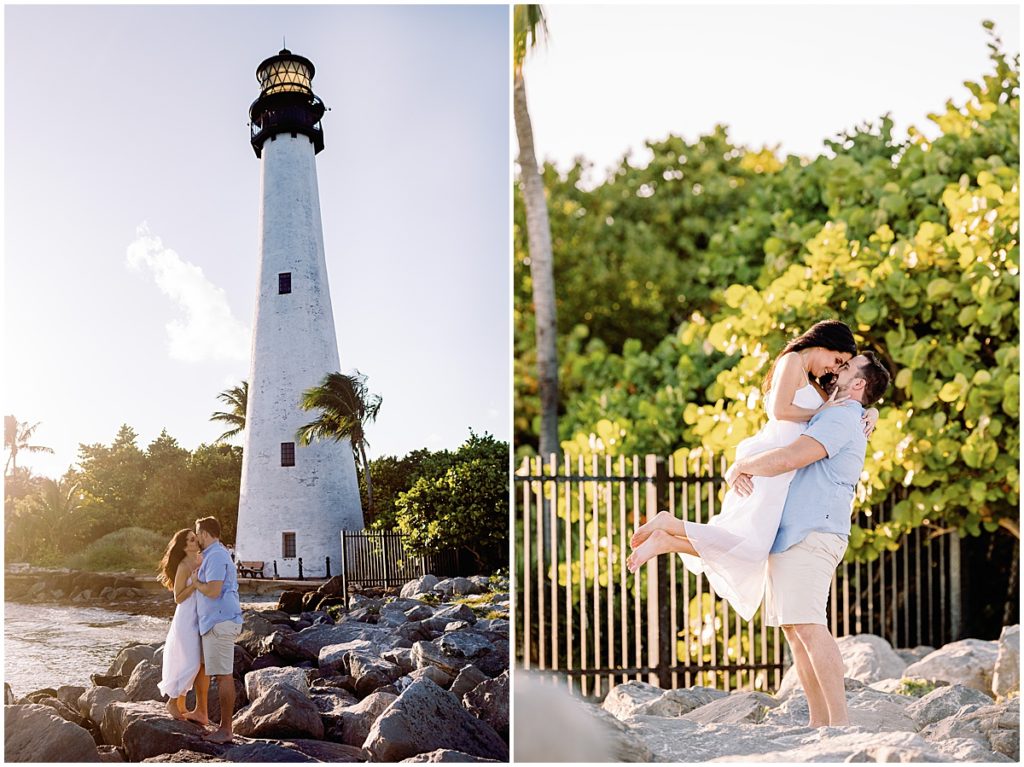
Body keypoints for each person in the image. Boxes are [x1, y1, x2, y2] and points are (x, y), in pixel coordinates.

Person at [626, 320, 876, 621]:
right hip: (769, 462)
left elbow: (852, 402)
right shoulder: (792, 360)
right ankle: (669, 526)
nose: (835, 370)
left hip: (784, 474)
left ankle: (668, 537)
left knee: (750, 549)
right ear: (823, 344)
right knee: (749, 545)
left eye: (843, 367)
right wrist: (819, 413)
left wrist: (871, 411)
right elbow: (779, 410)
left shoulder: (817, 385)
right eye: (837, 361)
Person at [724, 351, 891, 726]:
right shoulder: (836, 412)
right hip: (796, 532)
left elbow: (792, 457)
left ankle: (840, 725)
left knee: (811, 626)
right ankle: (819, 723)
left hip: (814, 531)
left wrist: (740, 466)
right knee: (796, 629)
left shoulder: (840, 417)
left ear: (859, 384)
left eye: (846, 367)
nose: (838, 368)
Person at [191, 516, 243, 743]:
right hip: (212, 621)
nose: (197, 538)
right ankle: (201, 711)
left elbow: (213, 590)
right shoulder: (212, 555)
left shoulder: (217, 555)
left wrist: (195, 583)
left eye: (197, 534)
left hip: (220, 621)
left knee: (223, 676)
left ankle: (226, 730)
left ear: (204, 533)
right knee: (202, 666)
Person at [156, 529, 206, 724]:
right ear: (185, 546)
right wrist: (193, 584)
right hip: (186, 616)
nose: (197, 541)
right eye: (193, 540)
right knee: (191, 662)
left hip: (200, 614)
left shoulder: (201, 559)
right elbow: (177, 597)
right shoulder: (184, 565)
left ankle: (180, 703)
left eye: (196, 538)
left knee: (192, 661)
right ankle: (172, 701)